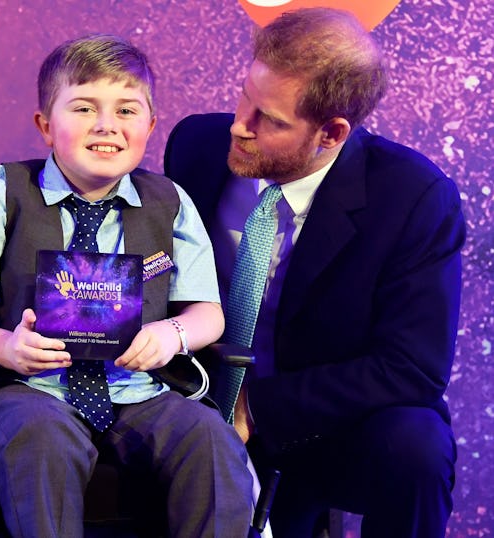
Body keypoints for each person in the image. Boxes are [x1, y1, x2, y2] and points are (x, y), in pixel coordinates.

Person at [0, 34, 252, 537]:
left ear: (150, 125)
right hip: (25, 387)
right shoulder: (2, 189)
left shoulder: (169, 202)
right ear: (45, 126)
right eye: (83, 107)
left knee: (210, 439)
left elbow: (208, 313)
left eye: (127, 110)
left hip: (138, 388)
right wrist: (6, 346)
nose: (106, 125)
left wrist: (172, 335)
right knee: (42, 438)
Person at [164, 7, 465, 538]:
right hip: (194, 394)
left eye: (270, 120)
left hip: (319, 421)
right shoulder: (196, 145)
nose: (241, 125)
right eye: (245, 97)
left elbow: (412, 368)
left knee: (417, 446)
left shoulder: (414, 197)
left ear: (332, 133)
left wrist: (257, 407)